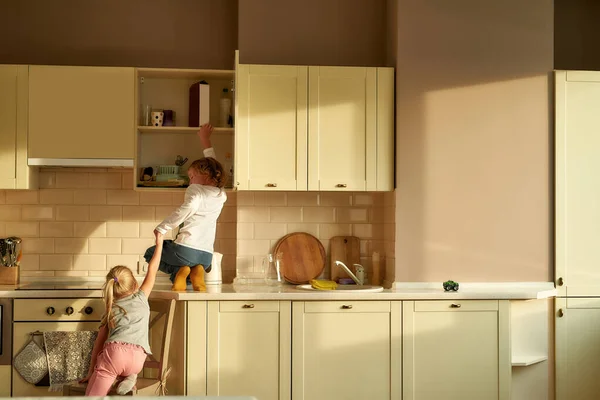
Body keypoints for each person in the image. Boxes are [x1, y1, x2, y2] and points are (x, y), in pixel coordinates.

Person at [143, 123, 227, 291]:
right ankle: (195, 272)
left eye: (191, 176)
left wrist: (163, 227)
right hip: (206, 256)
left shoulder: (195, 191)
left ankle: (179, 271)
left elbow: (188, 208)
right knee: (186, 273)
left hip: (186, 250)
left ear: (204, 175)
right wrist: (205, 140)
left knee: (150, 254)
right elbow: (214, 164)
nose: (190, 181)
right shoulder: (220, 194)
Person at [82, 230, 164, 396]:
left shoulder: (111, 308)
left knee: (92, 396)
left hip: (115, 355)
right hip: (138, 359)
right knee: (126, 368)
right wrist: (159, 242)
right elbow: (152, 269)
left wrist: (91, 372)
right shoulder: (142, 297)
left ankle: (119, 376)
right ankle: (129, 377)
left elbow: (99, 343)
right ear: (134, 283)